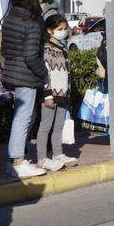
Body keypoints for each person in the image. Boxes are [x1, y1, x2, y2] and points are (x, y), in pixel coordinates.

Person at [0, 0, 48, 179]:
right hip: (26, 75)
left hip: (12, 73)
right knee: (24, 117)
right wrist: (44, 73)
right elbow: (31, 56)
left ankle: (14, 161)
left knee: (22, 116)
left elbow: (5, 49)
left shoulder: (9, 18)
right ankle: (18, 162)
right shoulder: (32, 22)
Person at [37, 15, 77, 172]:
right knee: (45, 126)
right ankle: (41, 158)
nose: (63, 31)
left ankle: (58, 154)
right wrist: (47, 94)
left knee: (59, 126)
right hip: (50, 94)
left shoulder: (63, 47)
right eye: (59, 29)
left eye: (65, 28)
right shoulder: (46, 48)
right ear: (49, 30)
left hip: (63, 93)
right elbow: (45, 73)